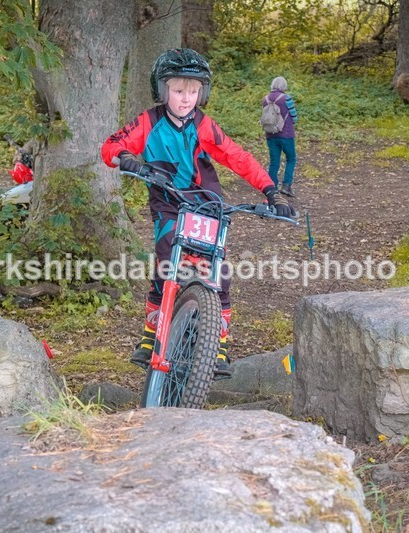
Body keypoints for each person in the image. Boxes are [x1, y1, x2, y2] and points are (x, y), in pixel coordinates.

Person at [101, 48, 294, 379]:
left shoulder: (203, 126)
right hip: (168, 203)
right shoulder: (149, 122)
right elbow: (110, 145)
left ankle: (218, 344)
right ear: (162, 90)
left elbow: (238, 157)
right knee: (166, 263)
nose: (186, 98)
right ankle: (151, 334)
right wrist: (127, 158)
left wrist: (271, 190)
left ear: (202, 93)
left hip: (206, 205)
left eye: (193, 91)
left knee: (219, 273)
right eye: (178, 90)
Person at [263, 76, 298, 197]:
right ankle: (286, 186)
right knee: (291, 158)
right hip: (286, 135)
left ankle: (272, 187)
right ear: (284, 86)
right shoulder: (286, 98)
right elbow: (294, 117)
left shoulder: (265, 99)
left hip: (270, 134)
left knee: (274, 161)